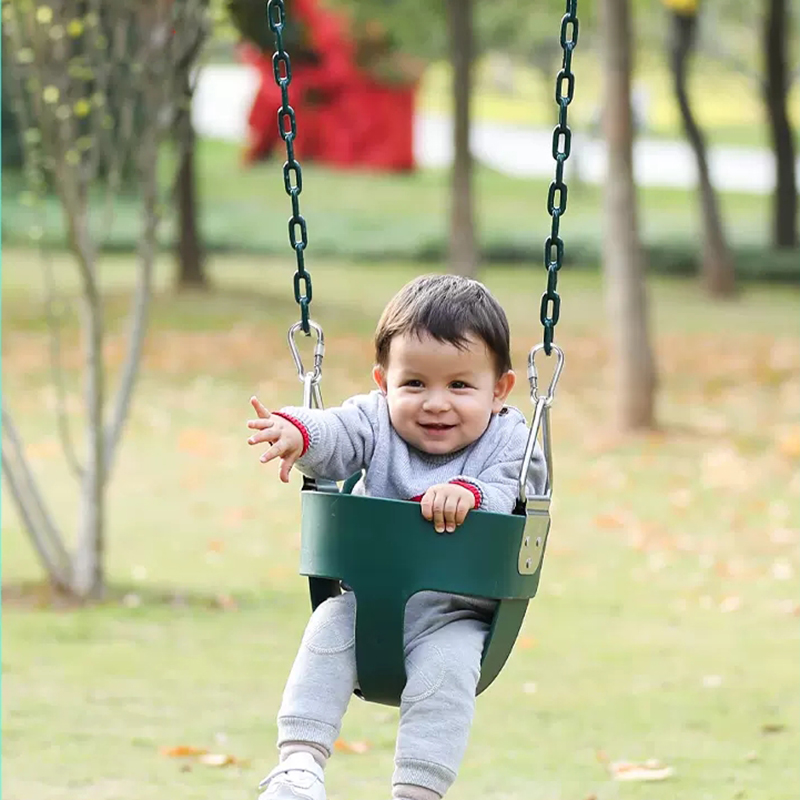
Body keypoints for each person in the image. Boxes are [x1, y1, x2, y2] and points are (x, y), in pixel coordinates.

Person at [246, 274, 547, 800]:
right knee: (328, 626)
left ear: (498, 390)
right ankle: (298, 765)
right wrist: (299, 431)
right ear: (384, 383)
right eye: (414, 384)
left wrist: (470, 493)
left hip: (458, 616)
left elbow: (514, 490)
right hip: (372, 603)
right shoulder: (375, 420)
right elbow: (336, 433)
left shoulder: (510, 439)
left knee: (446, 673)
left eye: (459, 385)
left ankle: (418, 792)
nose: (435, 403)